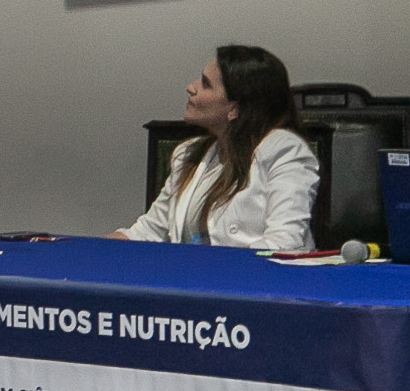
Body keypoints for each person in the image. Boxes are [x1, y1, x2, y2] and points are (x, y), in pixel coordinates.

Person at [112, 45, 319, 251]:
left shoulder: (284, 150)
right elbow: (148, 232)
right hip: (190, 272)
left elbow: (284, 243)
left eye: (205, 84)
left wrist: (213, 268)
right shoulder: (188, 153)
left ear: (234, 108)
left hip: (256, 271)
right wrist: (95, 249)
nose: (190, 88)